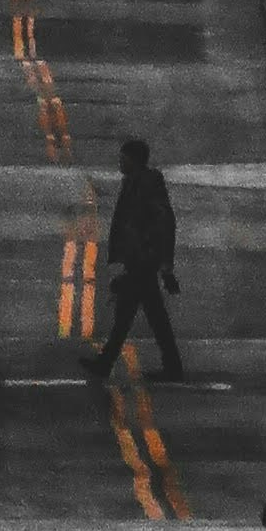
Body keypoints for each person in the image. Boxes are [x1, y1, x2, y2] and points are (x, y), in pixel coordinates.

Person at [90, 134, 183, 380]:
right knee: (146, 315)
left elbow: (164, 223)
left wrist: (165, 265)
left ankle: (106, 363)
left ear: (134, 160)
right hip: (138, 259)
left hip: (144, 260)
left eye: (123, 158)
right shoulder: (133, 182)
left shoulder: (148, 183)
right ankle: (170, 366)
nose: (120, 163)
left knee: (133, 317)